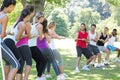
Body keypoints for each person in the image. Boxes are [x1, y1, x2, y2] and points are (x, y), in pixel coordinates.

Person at [3, 5, 35, 80]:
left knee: (9, 62)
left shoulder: (18, 22)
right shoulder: (23, 24)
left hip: (6, 41)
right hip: (10, 42)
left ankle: (7, 78)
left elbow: (15, 34)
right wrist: (25, 35)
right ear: (27, 16)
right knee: (20, 61)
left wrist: (22, 35)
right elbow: (17, 38)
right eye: (30, 17)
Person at [36, 11, 65, 80]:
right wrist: (47, 37)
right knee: (53, 61)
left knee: (44, 61)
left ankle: (41, 75)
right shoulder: (44, 29)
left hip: (38, 48)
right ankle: (59, 76)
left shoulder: (36, 26)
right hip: (45, 47)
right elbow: (48, 40)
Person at [0, 0, 20, 80]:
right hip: (0, 44)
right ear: (10, 6)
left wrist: (6, 33)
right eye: (13, 8)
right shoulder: (4, 17)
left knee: (8, 62)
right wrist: (7, 33)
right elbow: (2, 35)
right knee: (16, 64)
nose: (12, 10)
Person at [14, 8, 34, 80]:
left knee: (21, 63)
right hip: (24, 44)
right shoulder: (27, 24)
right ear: (28, 15)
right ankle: (26, 78)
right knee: (29, 61)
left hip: (17, 45)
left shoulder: (18, 21)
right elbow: (29, 36)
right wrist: (32, 35)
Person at [29, 15, 47, 80]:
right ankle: (39, 77)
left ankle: (40, 75)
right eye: (43, 18)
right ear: (41, 18)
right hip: (32, 46)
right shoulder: (40, 25)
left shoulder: (33, 25)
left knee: (38, 61)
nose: (43, 20)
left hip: (29, 46)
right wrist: (44, 35)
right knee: (43, 61)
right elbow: (41, 37)